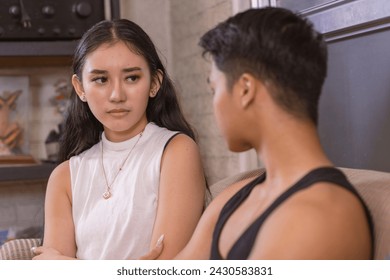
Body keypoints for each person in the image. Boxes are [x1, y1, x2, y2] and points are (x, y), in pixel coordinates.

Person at [148, 7, 374, 260]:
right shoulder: (234, 198)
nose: (214, 105)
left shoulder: (323, 214)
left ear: (245, 89)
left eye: (214, 89)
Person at [32, 19, 206, 260]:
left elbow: (166, 270)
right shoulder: (65, 177)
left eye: (132, 78)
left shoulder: (176, 152)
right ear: (80, 87)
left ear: (154, 83)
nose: (117, 95)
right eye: (101, 80)